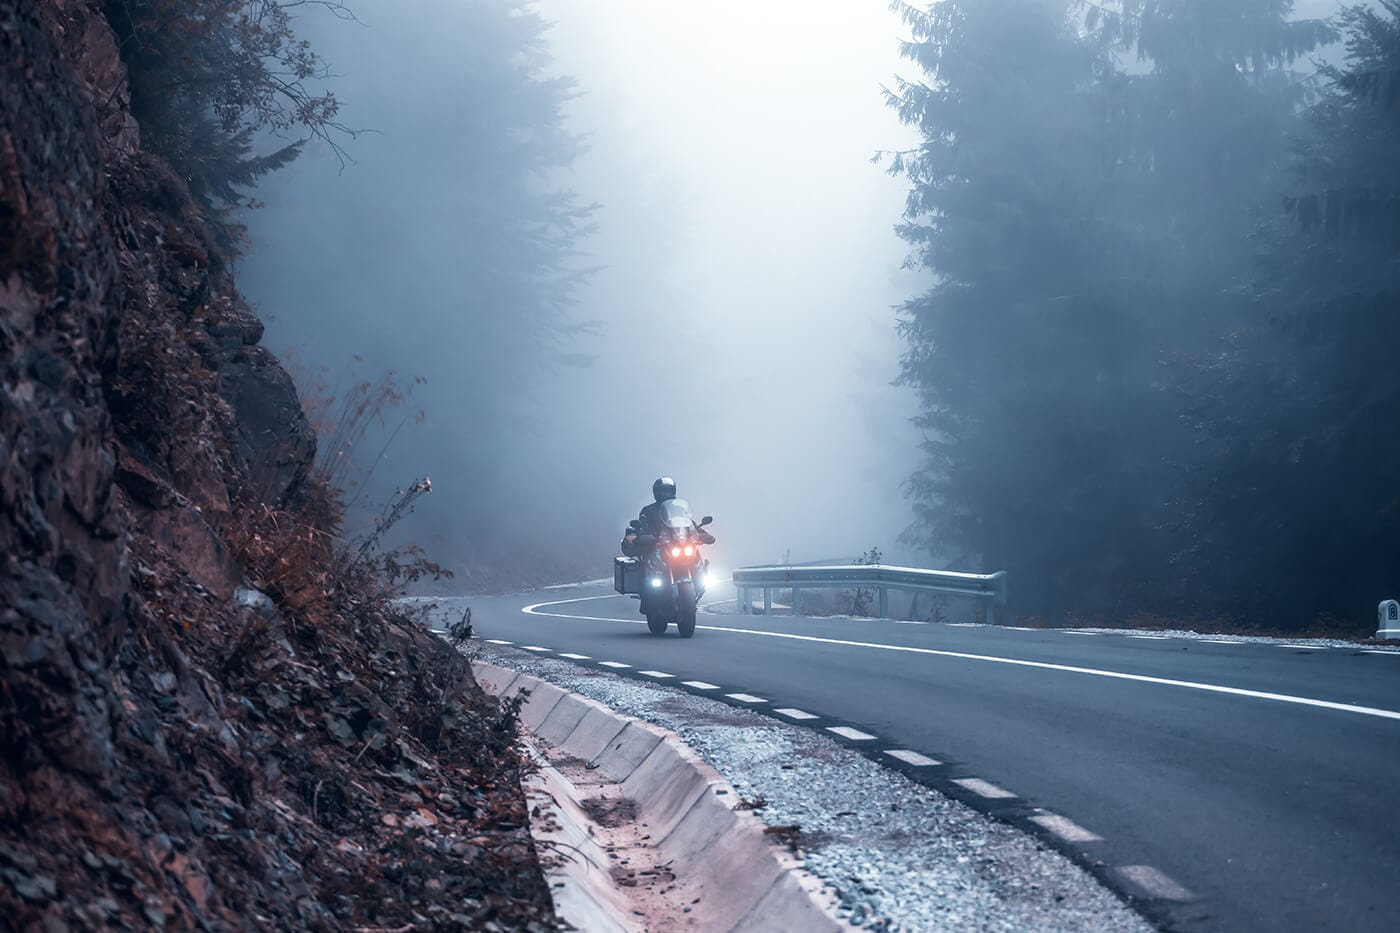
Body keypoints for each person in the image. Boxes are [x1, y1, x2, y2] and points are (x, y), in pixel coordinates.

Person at [620, 476, 712, 555]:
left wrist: (701, 533)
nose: (665, 494)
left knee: (697, 557)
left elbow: (689, 523)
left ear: (673, 491)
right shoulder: (648, 510)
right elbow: (642, 527)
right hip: (657, 548)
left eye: (668, 491)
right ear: (656, 492)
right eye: (662, 491)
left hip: (680, 546)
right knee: (650, 559)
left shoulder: (679, 508)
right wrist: (638, 536)